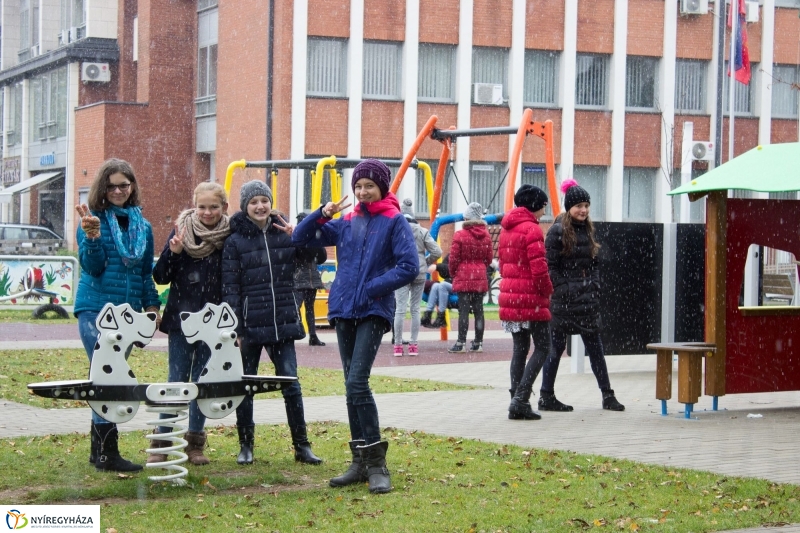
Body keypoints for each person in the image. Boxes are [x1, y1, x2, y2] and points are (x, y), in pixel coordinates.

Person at [293, 159, 418, 494]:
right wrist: (322, 212)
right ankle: (359, 461)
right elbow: (299, 237)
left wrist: (373, 287)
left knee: (358, 382)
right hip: (344, 309)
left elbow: (409, 266)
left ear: (382, 187)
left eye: (369, 186)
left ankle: (378, 465)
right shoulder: (347, 220)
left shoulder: (394, 221)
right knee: (350, 385)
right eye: (358, 186)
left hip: (373, 309)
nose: (362, 192)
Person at [222, 180, 323, 466]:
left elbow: (317, 257)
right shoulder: (234, 241)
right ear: (245, 206)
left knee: (291, 384)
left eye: (264, 200)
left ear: (270, 202)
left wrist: (301, 236)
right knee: (245, 386)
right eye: (253, 202)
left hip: (282, 321)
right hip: (249, 324)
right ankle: (246, 445)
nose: (260, 206)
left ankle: (302, 446)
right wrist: (236, 327)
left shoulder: (284, 232)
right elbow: (230, 287)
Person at [74, 158, 161, 472]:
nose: (118, 190)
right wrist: (94, 237)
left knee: (108, 377)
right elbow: (93, 267)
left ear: (132, 186)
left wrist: (152, 308)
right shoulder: (92, 219)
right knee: (107, 378)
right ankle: (107, 453)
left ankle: (99, 450)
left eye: (124, 184)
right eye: (111, 185)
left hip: (126, 317)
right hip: (95, 311)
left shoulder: (143, 226)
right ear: (102, 187)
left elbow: (144, 273)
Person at [150, 182, 231, 466]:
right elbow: (160, 276)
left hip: (212, 324)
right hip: (182, 320)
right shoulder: (182, 231)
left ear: (224, 208)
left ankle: (194, 442)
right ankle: (162, 438)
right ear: (194, 206)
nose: (207, 212)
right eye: (202, 206)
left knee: (202, 381)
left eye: (213, 206)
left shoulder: (228, 237)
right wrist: (173, 251)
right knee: (177, 380)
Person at [538, 179, 625, 412]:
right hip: (563, 303)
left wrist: (594, 285)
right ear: (569, 207)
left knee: (596, 349)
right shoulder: (557, 231)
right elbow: (550, 266)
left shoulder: (588, 229)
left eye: (586, 205)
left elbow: (594, 262)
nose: (583, 210)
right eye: (579, 206)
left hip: (587, 301)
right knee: (554, 350)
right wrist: (564, 289)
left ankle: (608, 395)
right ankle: (546, 396)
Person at [498, 185, 553, 421]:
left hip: (511, 296)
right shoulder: (532, 229)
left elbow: (502, 265)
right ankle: (521, 399)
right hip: (530, 298)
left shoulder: (506, 228)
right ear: (536, 205)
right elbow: (539, 269)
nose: (544, 211)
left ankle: (515, 398)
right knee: (543, 346)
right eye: (543, 205)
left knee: (519, 349)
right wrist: (548, 292)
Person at [393, 198, 442, 356]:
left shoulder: (396, 230)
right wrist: (424, 261)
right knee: (415, 310)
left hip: (401, 271)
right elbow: (437, 251)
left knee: (400, 310)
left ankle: (398, 346)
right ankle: (413, 345)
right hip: (419, 271)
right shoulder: (422, 231)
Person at [447, 202, 493, 354]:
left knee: (464, 311)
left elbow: (453, 259)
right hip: (480, 276)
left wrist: (454, 273)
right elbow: (488, 259)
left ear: (466, 217)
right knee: (479, 311)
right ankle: (478, 343)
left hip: (463, 275)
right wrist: (480, 267)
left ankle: (461, 343)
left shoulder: (460, 235)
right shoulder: (486, 235)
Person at [293, 212, 328, 347]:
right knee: (298, 307)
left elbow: (321, 257)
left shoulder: (309, 238)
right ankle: (301, 332)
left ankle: (312, 336)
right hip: (300, 277)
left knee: (307, 307)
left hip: (308, 277)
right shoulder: (297, 237)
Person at [421, 255, 452, 329]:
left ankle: (441, 315)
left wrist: (438, 267)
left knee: (442, 285)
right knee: (435, 286)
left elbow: (454, 270)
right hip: (449, 284)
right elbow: (444, 274)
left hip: (459, 285)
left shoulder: (463, 257)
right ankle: (427, 315)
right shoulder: (451, 256)